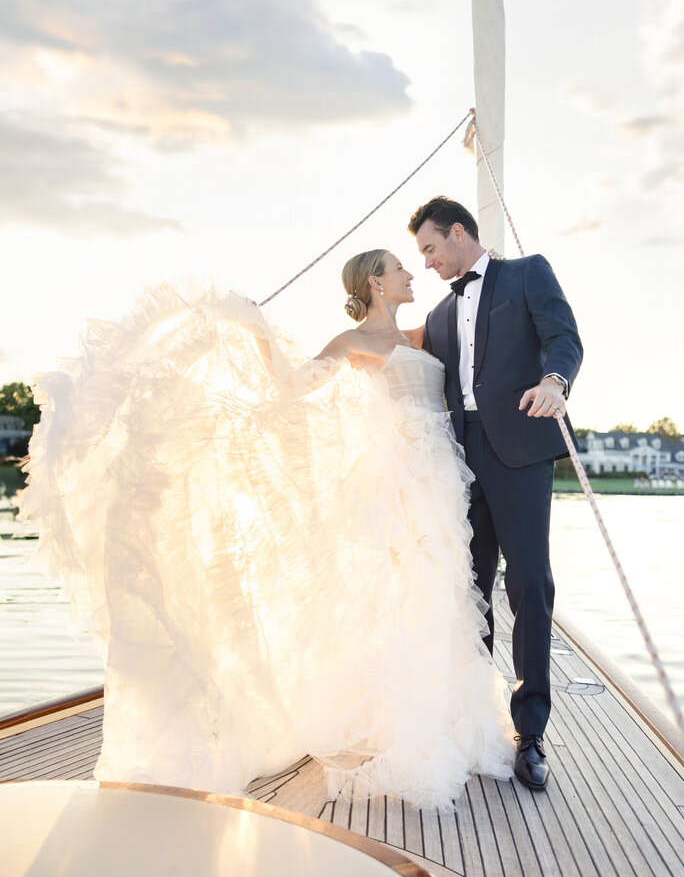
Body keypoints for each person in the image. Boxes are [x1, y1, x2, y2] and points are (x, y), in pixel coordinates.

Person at [22, 252, 514, 811]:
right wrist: (257, 331)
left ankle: (448, 714)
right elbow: (292, 385)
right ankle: (402, 725)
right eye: (400, 267)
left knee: (441, 592)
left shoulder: (424, 335)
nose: (411, 274)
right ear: (375, 282)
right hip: (393, 479)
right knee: (395, 595)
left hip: (441, 477)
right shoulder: (353, 342)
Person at [408, 196, 583, 790]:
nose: (428, 262)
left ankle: (530, 734)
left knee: (530, 584)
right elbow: (381, 341)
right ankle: (476, 721)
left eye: (431, 248)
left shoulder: (528, 272)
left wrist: (555, 382)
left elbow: (565, 338)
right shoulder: (435, 316)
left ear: (459, 232)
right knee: (470, 589)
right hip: (460, 456)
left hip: (523, 446)